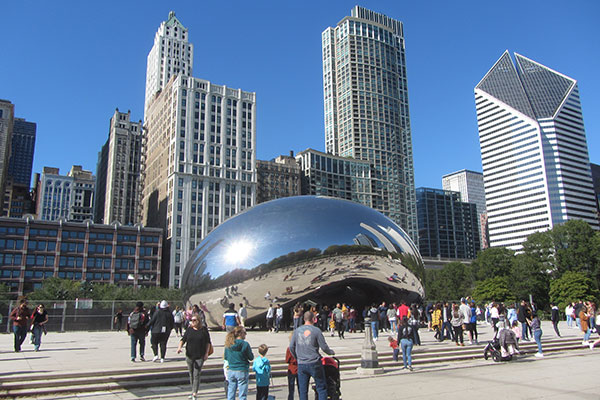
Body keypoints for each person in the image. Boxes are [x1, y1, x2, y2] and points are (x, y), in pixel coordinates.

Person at [289, 311, 335, 400]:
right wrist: (331, 352)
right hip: (314, 362)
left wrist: (297, 357)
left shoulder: (297, 331)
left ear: (303, 319)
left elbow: (291, 346)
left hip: (302, 363)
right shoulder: (316, 331)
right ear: (313, 319)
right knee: (321, 387)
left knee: (303, 390)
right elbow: (324, 347)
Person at [176, 314, 211, 400]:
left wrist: (206, 353)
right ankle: (193, 390)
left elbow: (208, 342)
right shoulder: (189, 330)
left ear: (199, 321)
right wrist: (179, 347)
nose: (193, 322)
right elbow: (183, 340)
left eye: (195, 320)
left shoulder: (204, 330)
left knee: (196, 374)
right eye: (192, 320)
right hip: (189, 355)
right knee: (191, 374)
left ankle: (194, 393)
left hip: (200, 355)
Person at [225, 326, 254, 400]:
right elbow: (251, 357)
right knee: (242, 393)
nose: (245, 335)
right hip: (242, 369)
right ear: (240, 334)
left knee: (231, 391)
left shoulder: (229, 343)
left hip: (231, 369)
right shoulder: (245, 344)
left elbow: (226, 357)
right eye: (245, 333)